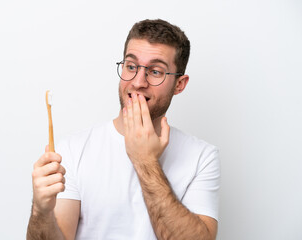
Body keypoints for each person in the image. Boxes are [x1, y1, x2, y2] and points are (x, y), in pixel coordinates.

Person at [27, 19, 220, 240]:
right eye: (131, 66)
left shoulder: (202, 157)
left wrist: (145, 160)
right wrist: (40, 212)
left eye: (155, 71)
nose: (138, 82)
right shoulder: (72, 150)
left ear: (179, 84)